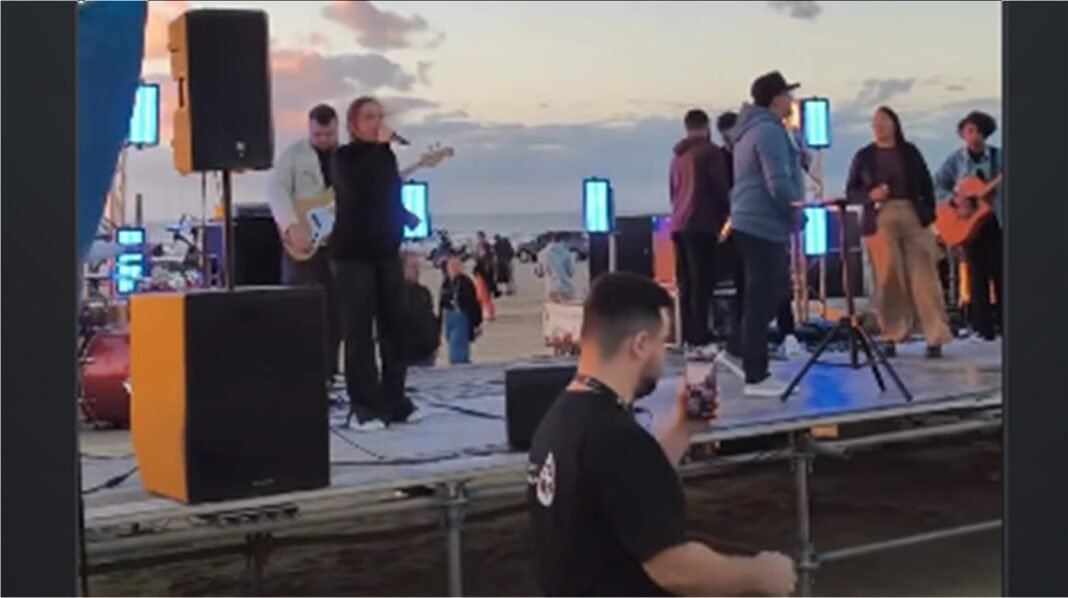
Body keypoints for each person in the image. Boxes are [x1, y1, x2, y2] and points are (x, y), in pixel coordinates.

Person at [527, 272, 797, 597]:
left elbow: (628, 490)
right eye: (662, 341)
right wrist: (760, 574)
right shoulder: (615, 437)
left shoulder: (560, 419)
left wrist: (683, 427)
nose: (664, 356)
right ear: (640, 344)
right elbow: (673, 568)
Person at [330, 96, 420, 430]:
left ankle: (394, 399)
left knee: (395, 327)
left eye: (379, 116)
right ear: (353, 125)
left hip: (386, 251)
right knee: (359, 332)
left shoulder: (386, 156)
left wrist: (405, 216)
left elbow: (387, 194)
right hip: (352, 255)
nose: (377, 123)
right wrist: (381, 149)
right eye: (369, 117)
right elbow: (359, 191)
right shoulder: (344, 157)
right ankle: (364, 406)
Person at [846, 106, 952, 358]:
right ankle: (891, 334)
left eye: (883, 120)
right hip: (879, 216)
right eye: (875, 122)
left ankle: (934, 335)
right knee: (888, 276)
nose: (878, 126)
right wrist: (869, 196)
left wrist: (928, 213)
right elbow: (851, 191)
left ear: (895, 124)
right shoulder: (864, 156)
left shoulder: (910, 152)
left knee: (924, 276)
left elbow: (927, 185)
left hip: (912, 212)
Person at [726, 71, 806, 397]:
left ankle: (736, 349)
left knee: (757, 296)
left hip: (745, 220)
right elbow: (778, 182)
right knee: (766, 296)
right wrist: (796, 212)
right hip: (763, 224)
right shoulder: (770, 131)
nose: (792, 101)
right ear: (775, 99)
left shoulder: (748, 131)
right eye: (787, 94)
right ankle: (756, 376)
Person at [267, 104, 343, 384]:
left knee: (336, 313)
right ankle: (301, 376)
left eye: (328, 134)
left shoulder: (346, 157)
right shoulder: (293, 155)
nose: (322, 139)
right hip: (301, 244)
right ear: (309, 129)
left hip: (337, 244)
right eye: (317, 134)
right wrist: (290, 225)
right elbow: (276, 189)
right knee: (301, 308)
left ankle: (330, 374)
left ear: (337, 129)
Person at [934, 111, 1003, 341]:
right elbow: (937, 185)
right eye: (970, 131)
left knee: (1002, 274)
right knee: (976, 276)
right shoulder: (955, 161)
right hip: (969, 227)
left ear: (986, 134)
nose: (974, 136)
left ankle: (1005, 325)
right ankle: (983, 329)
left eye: (979, 131)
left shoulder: (999, 157)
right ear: (962, 133)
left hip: (996, 222)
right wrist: (955, 200)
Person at [668, 109, 731, 353]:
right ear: (706, 127)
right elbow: (720, 188)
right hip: (702, 223)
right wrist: (727, 215)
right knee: (702, 282)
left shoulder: (677, 157)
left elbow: (673, 192)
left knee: (686, 284)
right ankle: (701, 335)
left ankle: (688, 334)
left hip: (679, 224)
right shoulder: (710, 152)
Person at [439, 253, 483, 364]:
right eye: (451, 266)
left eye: (457, 265)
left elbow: (473, 303)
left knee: (458, 350)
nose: (454, 268)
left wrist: (476, 323)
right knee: (452, 345)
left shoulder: (466, 282)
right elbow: (442, 302)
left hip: (461, 317)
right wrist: (440, 320)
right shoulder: (446, 282)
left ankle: (461, 367)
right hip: (449, 316)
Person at [401, 252, 440, 367]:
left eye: (418, 267)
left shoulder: (423, 292)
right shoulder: (396, 294)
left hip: (427, 353)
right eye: (413, 267)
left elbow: (430, 317)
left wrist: (435, 342)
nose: (417, 271)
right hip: (407, 356)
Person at [535, 232, 576, 303]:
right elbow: (571, 272)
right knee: (568, 307)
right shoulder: (566, 253)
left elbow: (540, 272)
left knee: (554, 308)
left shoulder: (542, 253)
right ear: (562, 240)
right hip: (565, 286)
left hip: (551, 287)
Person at [473, 242, 497, 321]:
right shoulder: (488, 259)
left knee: (484, 299)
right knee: (484, 299)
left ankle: (489, 314)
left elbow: (478, 271)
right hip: (483, 281)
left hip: (483, 281)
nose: (480, 251)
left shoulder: (484, 260)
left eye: (481, 250)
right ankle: (489, 313)